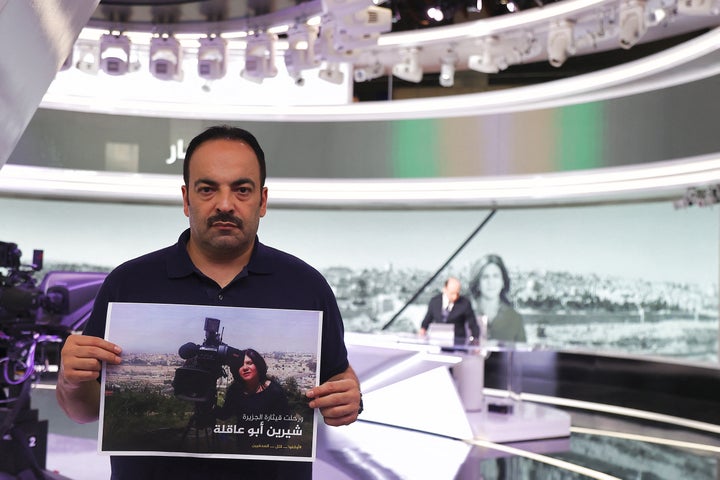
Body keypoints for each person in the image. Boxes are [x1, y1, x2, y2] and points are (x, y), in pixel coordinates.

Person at [56, 125, 362, 480]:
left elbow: (338, 374)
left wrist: (348, 397)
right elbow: (84, 410)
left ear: (262, 201)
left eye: (242, 189)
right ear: (186, 198)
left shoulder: (307, 286)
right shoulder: (128, 283)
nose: (225, 204)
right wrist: (70, 381)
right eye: (207, 189)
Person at [215, 348, 291, 420]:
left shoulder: (274, 392)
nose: (245, 368)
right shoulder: (235, 390)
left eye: (249, 363)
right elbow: (224, 414)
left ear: (258, 365)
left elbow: (284, 422)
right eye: (240, 365)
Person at [468, 254, 526, 343]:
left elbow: (522, 354)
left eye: (495, 276)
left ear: (503, 282)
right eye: (485, 277)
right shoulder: (464, 314)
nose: (491, 282)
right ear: (478, 283)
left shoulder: (515, 318)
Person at [419, 276, 479, 342]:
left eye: (457, 293)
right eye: (452, 293)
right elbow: (426, 321)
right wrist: (422, 333)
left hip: (458, 345)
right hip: (438, 342)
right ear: (445, 289)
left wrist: (475, 339)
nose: (455, 296)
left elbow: (473, 324)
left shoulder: (465, 303)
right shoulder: (435, 302)